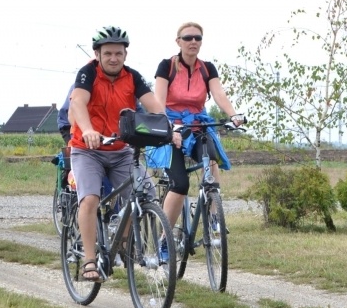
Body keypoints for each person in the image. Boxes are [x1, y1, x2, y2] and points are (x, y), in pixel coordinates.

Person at [69, 26, 177, 281]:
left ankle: (123, 242)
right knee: (90, 199)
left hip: (120, 149)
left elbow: (154, 107)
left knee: (143, 194)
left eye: (119, 53)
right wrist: (87, 130)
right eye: (108, 53)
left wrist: (169, 129)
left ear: (125, 55)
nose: (114, 58)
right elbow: (78, 103)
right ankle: (89, 259)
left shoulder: (133, 77)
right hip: (88, 149)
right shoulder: (87, 75)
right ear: (98, 54)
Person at [152, 22, 243, 256]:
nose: (193, 42)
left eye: (198, 38)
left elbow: (219, 93)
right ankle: (164, 239)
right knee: (180, 185)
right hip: (170, 124)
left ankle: (213, 215)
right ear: (178, 41)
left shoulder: (207, 68)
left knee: (210, 157)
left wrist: (233, 115)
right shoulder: (167, 66)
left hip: (196, 123)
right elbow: (158, 100)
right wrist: (168, 127)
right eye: (188, 37)